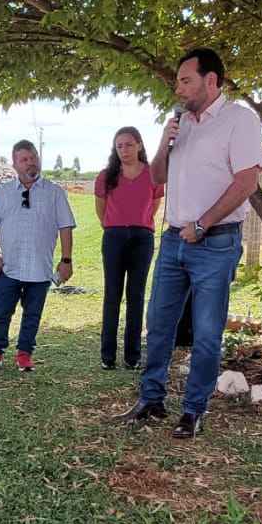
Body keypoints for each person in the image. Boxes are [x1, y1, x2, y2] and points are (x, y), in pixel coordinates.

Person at [119, 48, 262, 439]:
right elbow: (158, 178)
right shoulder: (181, 123)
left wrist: (202, 224)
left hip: (214, 243)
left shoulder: (239, 122)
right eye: (178, 83)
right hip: (173, 241)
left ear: (210, 80)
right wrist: (165, 142)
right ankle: (150, 399)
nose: (179, 89)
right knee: (159, 325)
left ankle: (194, 410)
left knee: (205, 332)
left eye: (186, 80)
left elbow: (246, 182)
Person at [0, 140, 76, 372]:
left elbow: (66, 227)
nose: (30, 162)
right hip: (8, 268)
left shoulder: (54, 192)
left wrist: (66, 260)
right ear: (14, 165)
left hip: (39, 269)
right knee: (1, 312)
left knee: (32, 314)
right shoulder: (3, 194)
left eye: (33, 157)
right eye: (24, 159)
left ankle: (24, 353)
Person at [94, 126, 163, 370]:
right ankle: (107, 356)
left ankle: (132, 356)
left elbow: (154, 205)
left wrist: (138, 225)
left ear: (140, 145)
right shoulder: (106, 175)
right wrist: (114, 227)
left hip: (142, 239)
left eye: (129, 144)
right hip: (113, 238)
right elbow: (101, 209)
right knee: (112, 296)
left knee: (136, 297)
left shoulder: (152, 174)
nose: (124, 149)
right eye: (119, 145)